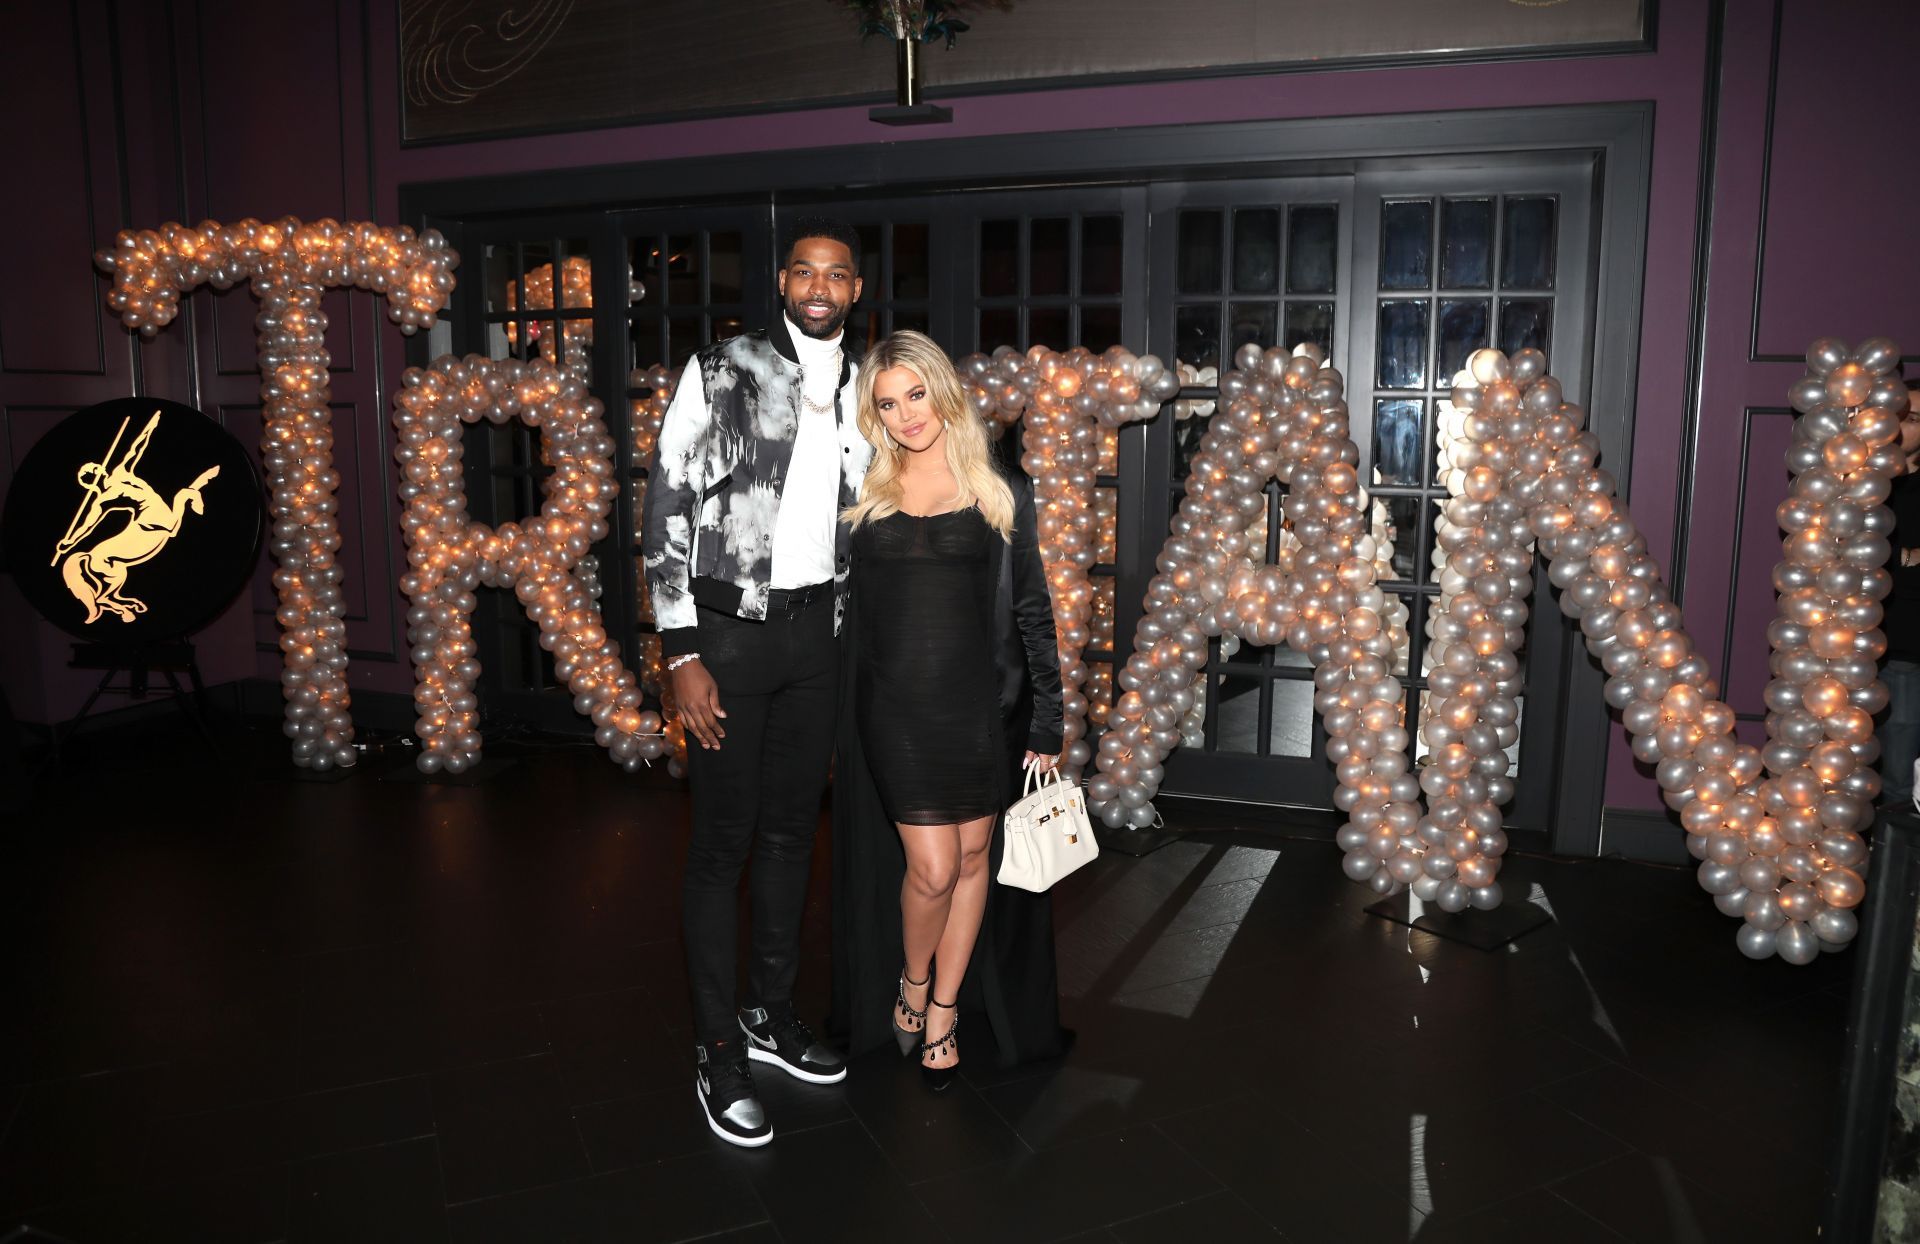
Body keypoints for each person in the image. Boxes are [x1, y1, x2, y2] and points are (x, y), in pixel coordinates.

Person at [640, 216, 872, 1147]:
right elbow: (665, 504)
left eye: (838, 275)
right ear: (783, 282)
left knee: (789, 837)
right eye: (805, 272)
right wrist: (681, 653)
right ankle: (714, 1049)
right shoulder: (721, 369)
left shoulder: (866, 384)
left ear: (855, 290)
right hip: (727, 640)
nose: (819, 287)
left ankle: (769, 1017)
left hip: (819, 637)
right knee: (721, 846)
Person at [828, 331, 1068, 1089]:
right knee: (931, 868)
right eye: (887, 404)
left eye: (915, 395)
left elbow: (1033, 611)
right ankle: (910, 980)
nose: (905, 416)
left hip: (979, 711)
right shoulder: (863, 490)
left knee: (973, 862)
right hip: (896, 710)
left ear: (942, 390)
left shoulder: (1001, 490)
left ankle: (944, 1009)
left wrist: (1049, 719)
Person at [1882, 378, 1920, 807]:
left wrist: (1902, 561)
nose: (1897, 426)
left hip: (1906, 649)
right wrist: (1907, 556)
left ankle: (1896, 873)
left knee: (1897, 776)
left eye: (1910, 418)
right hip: (1846, 649)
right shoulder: (1867, 481)